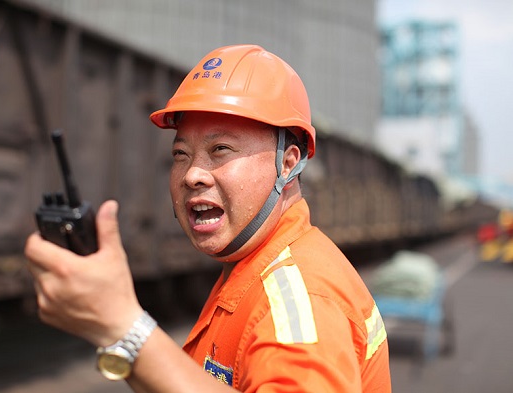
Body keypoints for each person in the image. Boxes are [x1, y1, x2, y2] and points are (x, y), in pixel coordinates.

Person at [25, 44, 391, 392]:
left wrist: (124, 328)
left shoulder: (301, 300)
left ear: (288, 162)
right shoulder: (251, 267)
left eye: (220, 150)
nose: (192, 175)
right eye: (181, 154)